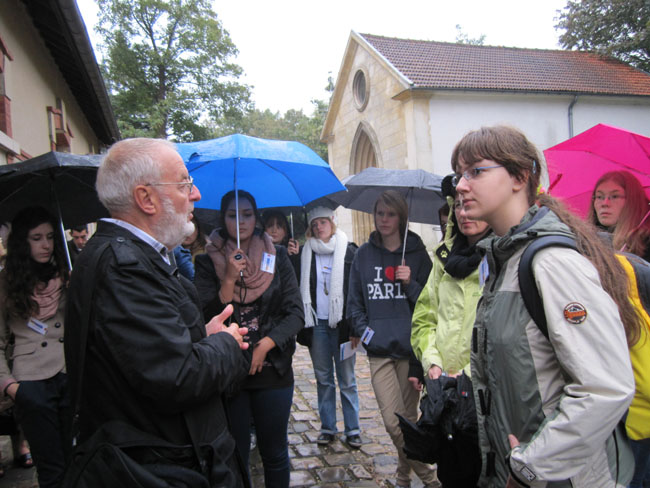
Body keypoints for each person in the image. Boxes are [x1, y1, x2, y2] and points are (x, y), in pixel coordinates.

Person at [451, 125, 638, 487]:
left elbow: (606, 387)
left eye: (475, 171)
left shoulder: (551, 263)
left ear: (519, 177)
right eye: (460, 173)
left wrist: (530, 467)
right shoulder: (503, 258)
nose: (460, 185)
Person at [64, 138, 251, 487]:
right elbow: (177, 376)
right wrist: (224, 343)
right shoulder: (124, 268)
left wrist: (201, 337)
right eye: (184, 184)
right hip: (165, 468)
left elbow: (153, 354)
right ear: (146, 199)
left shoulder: (135, 256)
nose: (196, 195)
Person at [195, 189, 304, 488]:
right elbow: (205, 317)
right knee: (236, 454)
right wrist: (229, 278)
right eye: (233, 215)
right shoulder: (207, 262)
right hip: (230, 373)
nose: (241, 222)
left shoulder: (277, 256)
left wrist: (266, 345)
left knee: (275, 454)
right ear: (223, 218)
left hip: (273, 371)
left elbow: (295, 313)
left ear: (256, 218)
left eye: (247, 214)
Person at [347, 190, 440, 488]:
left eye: (390, 214)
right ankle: (432, 479)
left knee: (407, 422)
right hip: (380, 352)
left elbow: (430, 303)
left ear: (401, 217)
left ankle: (402, 477)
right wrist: (368, 334)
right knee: (392, 422)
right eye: (379, 213)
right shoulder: (363, 254)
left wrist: (410, 283)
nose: (383, 220)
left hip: (411, 351)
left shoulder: (417, 254)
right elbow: (354, 303)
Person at [0, 207, 70, 488]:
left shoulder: (66, 274)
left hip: (68, 375)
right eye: (37, 238)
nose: (46, 245)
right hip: (31, 383)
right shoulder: (6, 283)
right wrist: (10, 386)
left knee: (77, 459)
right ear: (22, 242)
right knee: (51, 469)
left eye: (50, 237)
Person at [295, 206, 361, 448]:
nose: (318, 227)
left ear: (332, 223)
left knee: (347, 379)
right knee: (323, 379)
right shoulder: (306, 253)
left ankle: (353, 429)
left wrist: (355, 327)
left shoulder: (349, 250)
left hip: (343, 325)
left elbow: (356, 291)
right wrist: (292, 256)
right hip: (318, 324)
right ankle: (328, 428)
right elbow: (297, 283)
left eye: (322, 222)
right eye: (314, 224)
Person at [588, 170, 650, 261]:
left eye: (615, 196)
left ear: (632, 201)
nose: (605, 203)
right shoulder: (583, 240)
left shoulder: (646, 242)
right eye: (599, 197)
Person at [173, 215, 208, 281]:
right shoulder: (169, 253)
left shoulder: (207, 252)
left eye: (192, 228)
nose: (188, 232)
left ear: (198, 230)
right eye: (183, 227)